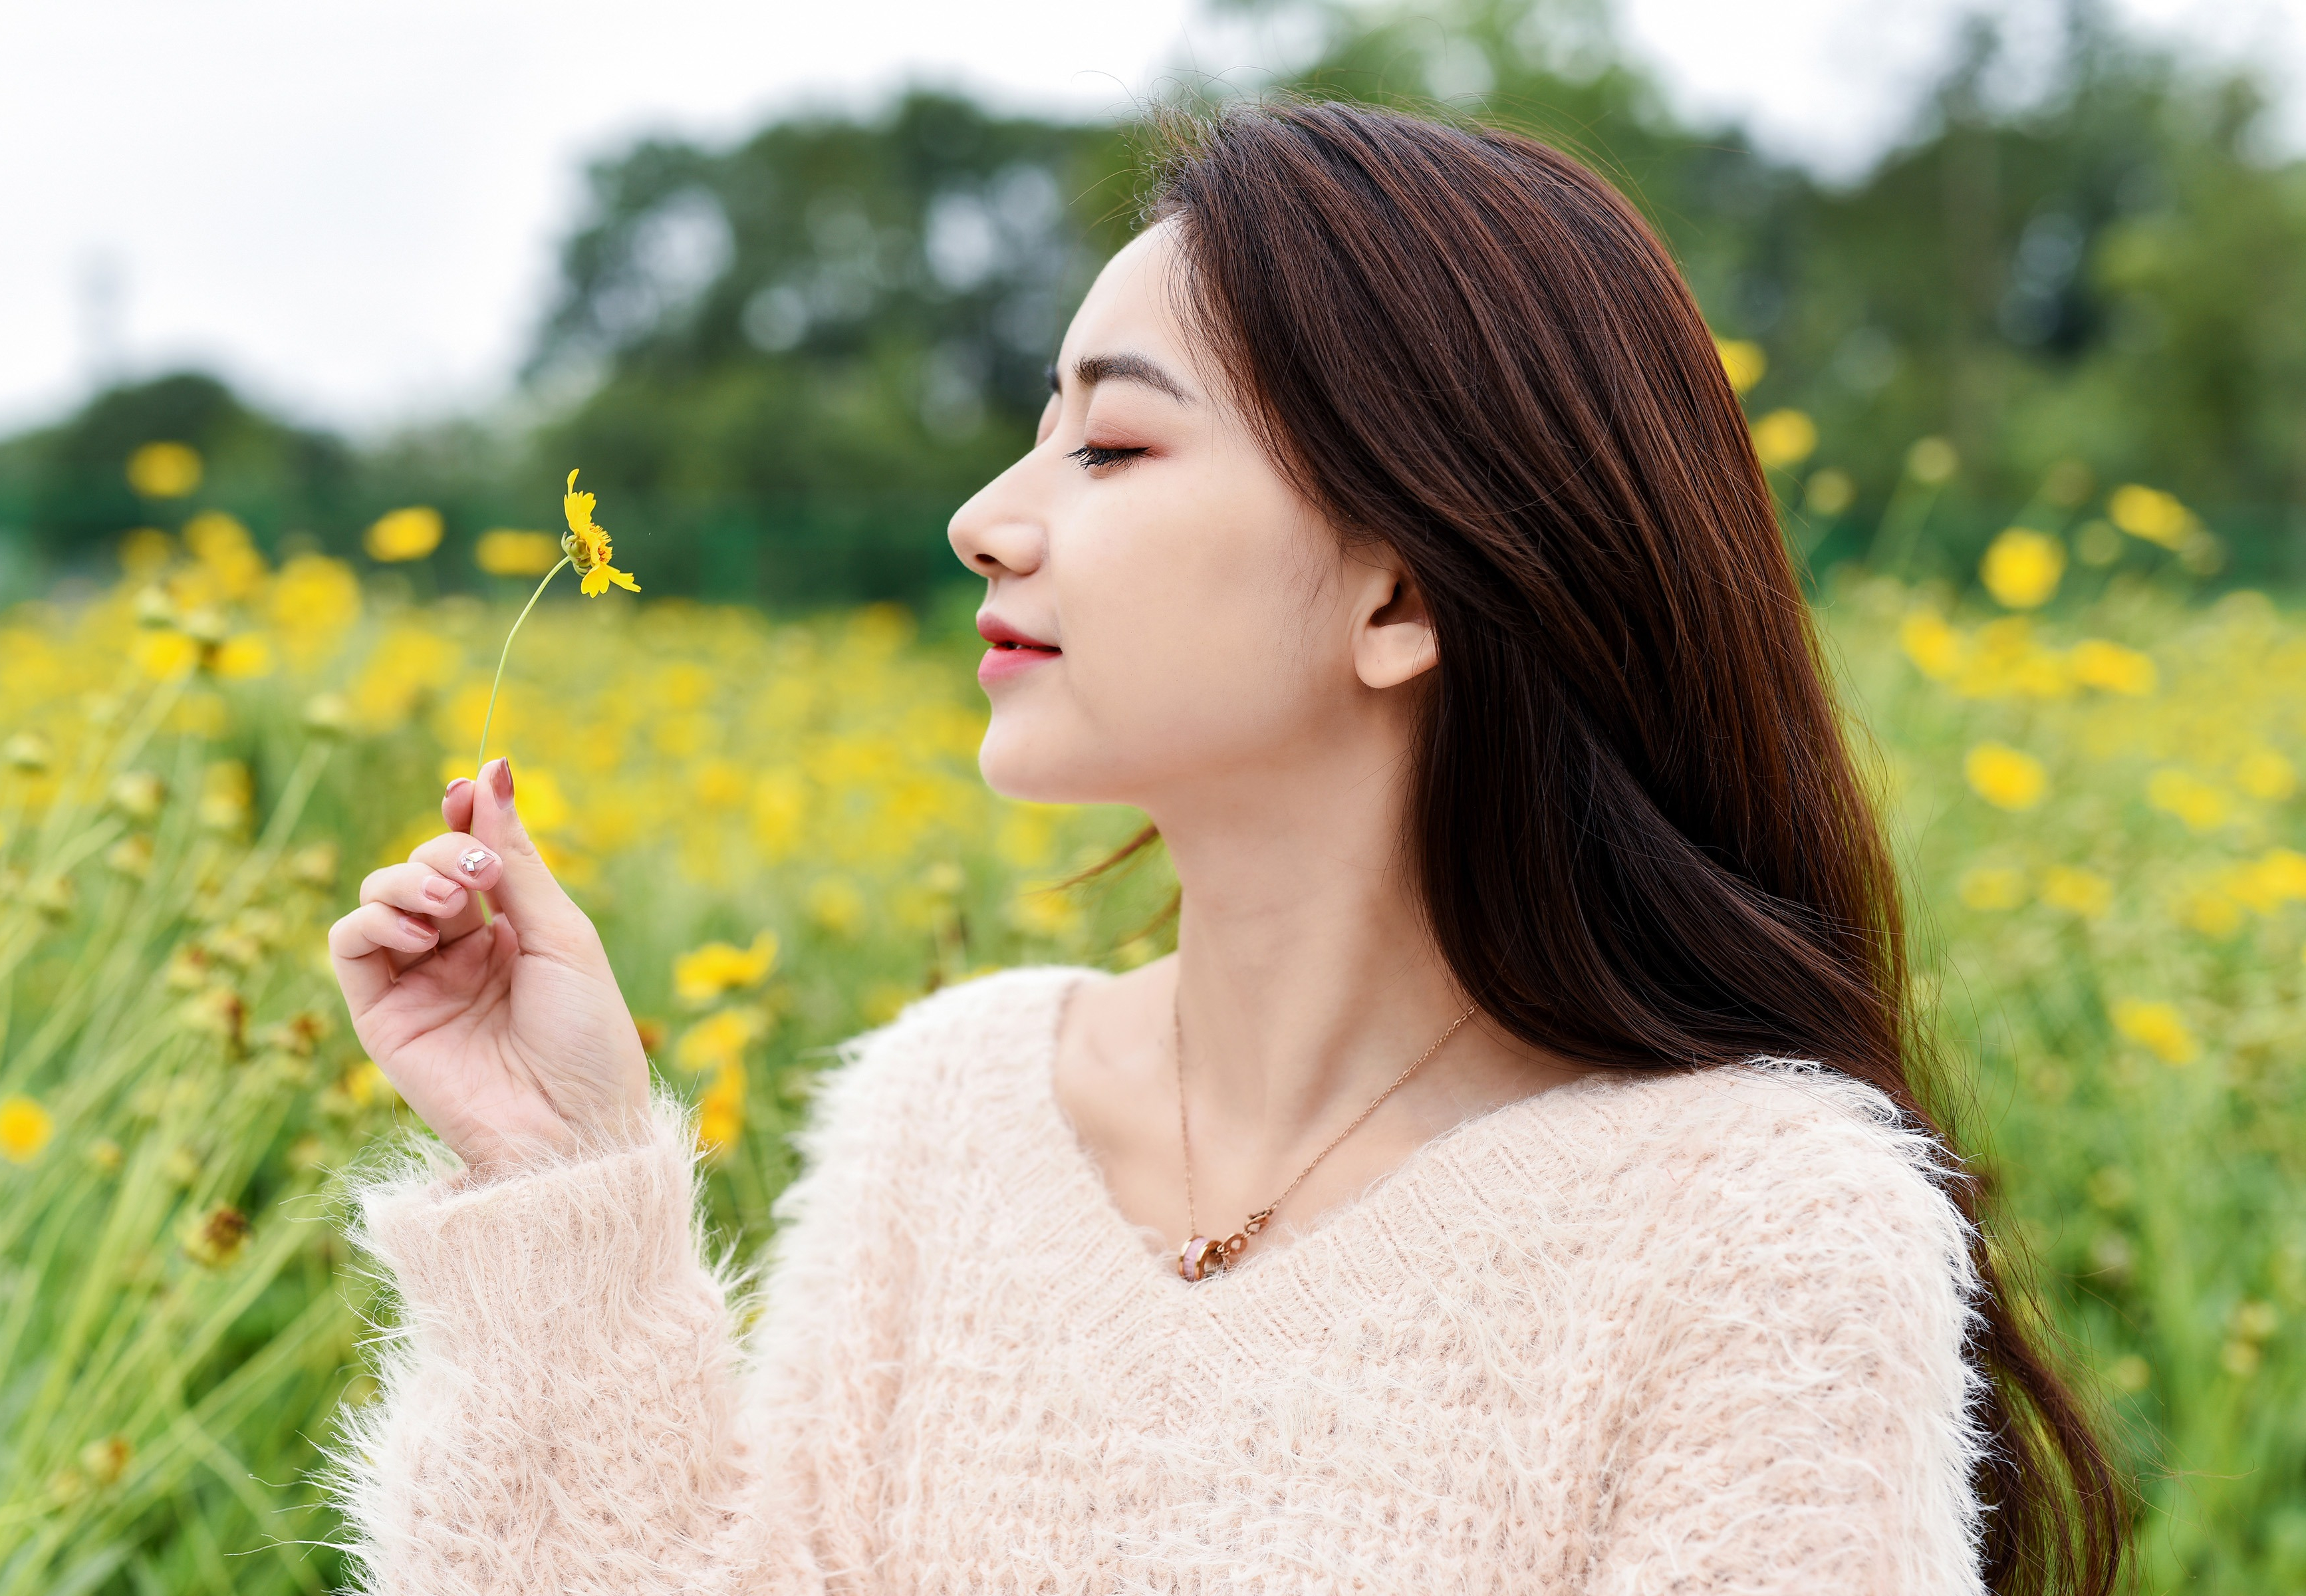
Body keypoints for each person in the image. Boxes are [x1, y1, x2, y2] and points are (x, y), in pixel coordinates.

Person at [324, 100, 2122, 1593]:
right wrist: (555, 1168)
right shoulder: (949, 1115)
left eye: (1111, 443)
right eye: (1039, 432)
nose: (983, 521)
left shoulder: (1756, 1232)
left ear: (1402, 590)